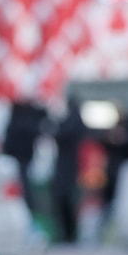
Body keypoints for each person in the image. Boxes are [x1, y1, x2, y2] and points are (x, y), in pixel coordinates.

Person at [97, 104, 128, 238]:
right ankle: (107, 232)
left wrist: (122, 140)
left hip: (124, 171)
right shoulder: (113, 127)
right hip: (111, 171)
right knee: (108, 203)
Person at [3, 98, 49, 211]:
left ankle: (27, 207)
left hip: (20, 156)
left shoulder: (21, 119)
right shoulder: (26, 119)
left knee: (22, 183)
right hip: (21, 156)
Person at [50, 101, 87, 245]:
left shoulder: (70, 124)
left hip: (69, 167)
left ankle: (70, 233)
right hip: (69, 166)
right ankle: (69, 233)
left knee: (68, 200)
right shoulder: (74, 123)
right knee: (66, 200)